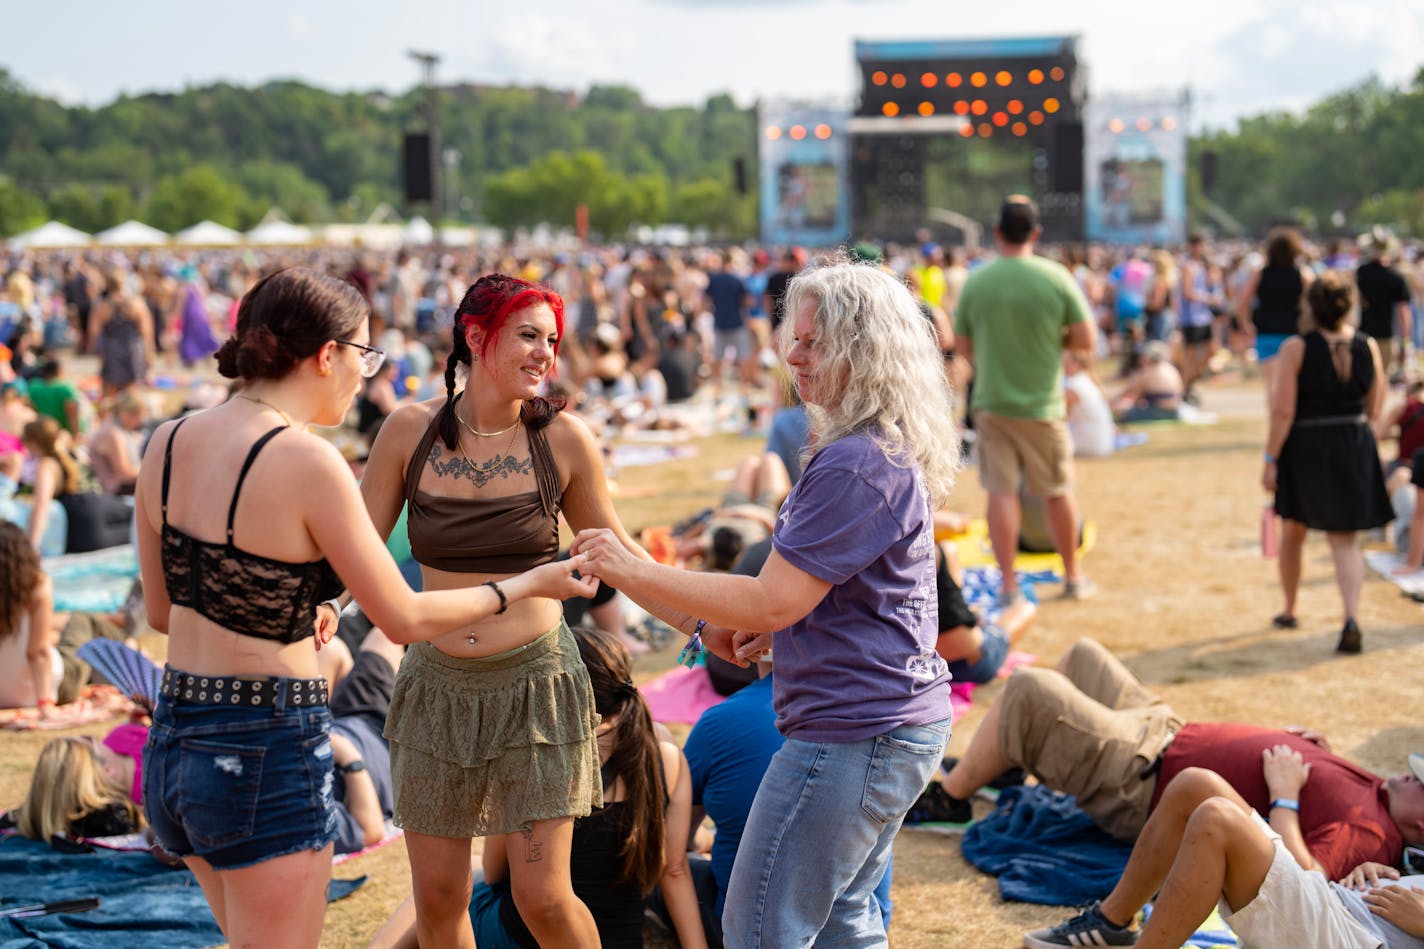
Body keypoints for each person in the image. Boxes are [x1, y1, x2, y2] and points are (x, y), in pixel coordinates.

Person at [132, 267, 597, 949]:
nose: (363, 374)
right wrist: (524, 584)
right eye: (363, 354)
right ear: (327, 354)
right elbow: (402, 617)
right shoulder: (311, 460)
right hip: (265, 743)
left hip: (176, 743)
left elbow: (160, 610)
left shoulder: (165, 442)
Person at [574, 259, 958, 947]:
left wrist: (629, 567)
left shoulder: (856, 460)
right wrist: (775, 632)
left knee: (757, 928)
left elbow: (770, 596)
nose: (792, 356)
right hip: (886, 723)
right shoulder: (875, 449)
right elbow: (847, 600)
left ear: (860, 350)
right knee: (844, 923)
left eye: (811, 341)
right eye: (795, 337)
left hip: (853, 732)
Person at [354, 273, 651, 949]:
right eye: (528, 335)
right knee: (438, 898)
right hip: (436, 687)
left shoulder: (564, 440)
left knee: (543, 897)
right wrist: (313, 602)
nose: (546, 353)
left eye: (552, 339)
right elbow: (356, 549)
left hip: (537, 690)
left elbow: (621, 552)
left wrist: (700, 617)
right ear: (476, 336)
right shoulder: (410, 431)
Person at [923, 637, 1422, 881]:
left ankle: (952, 800)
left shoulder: (1373, 834)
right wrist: (1322, 758)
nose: (1409, 770)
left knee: (1032, 688)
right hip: (1165, 733)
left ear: (1421, 821)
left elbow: (1305, 879)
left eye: (1421, 781)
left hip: (1142, 780)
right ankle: (1002, 759)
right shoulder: (1384, 795)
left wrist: (1287, 799)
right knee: (1083, 655)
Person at [368, 623, 707, 949]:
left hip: (526, 936)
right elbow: (674, 869)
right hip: (620, 939)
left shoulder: (538, 760)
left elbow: (497, 870)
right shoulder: (666, 757)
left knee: (452, 883)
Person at [1025, 758, 1424, 948]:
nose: (1410, 777)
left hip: (1353, 938)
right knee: (1195, 784)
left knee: (1217, 819)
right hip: (1339, 908)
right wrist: (1379, 869)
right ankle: (1110, 922)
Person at [954, 195, 1097, 603]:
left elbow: (962, 347)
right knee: (1057, 490)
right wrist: (1052, 338)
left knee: (1000, 494)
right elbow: (1085, 340)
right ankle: (1072, 576)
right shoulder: (1056, 277)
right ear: (1036, 233)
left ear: (997, 233)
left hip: (992, 402)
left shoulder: (976, 281)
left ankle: (1009, 585)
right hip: (1042, 405)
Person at [1263, 271, 1391, 652]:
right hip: (1353, 440)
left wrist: (1271, 457)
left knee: (1294, 531)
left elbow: (1283, 411)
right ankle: (1350, 616)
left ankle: (1289, 608)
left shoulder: (1295, 348)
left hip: (1307, 444)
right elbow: (1375, 408)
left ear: (1310, 306)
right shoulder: (1367, 346)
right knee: (1344, 541)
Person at [1239, 226, 1313, 412]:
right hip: (1292, 332)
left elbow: (1243, 300)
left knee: (1272, 384)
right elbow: (1315, 300)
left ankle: (1276, 420)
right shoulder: (1302, 274)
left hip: (1266, 332)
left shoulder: (1261, 274)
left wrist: (1245, 324)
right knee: (1293, 382)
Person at [1357, 227, 1414, 383]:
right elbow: (1404, 313)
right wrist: (1406, 341)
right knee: (1382, 378)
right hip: (1385, 335)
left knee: (1363, 377)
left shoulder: (1360, 273)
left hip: (1362, 333)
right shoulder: (1396, 277)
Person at [89, 392, 147, 495]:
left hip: (120, 488)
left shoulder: (117, 428)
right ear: (128, 413)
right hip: (114, 492)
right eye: (139, 415)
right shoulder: (113, 434)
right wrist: (153, 469)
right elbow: (124, 473)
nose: (141, 420)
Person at [1112, 341, 1184, 422]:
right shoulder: (1171, 369)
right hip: (1175, 413)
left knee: (1122, 412)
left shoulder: (1148, 371)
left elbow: (1131, 395)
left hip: (1159, 413)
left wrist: (1113, 404)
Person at [1062, 350, 1115, 457]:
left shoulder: (1074, 385)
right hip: (1102, 444)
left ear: (1078, 364)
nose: (1063, 365)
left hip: (1090, 445)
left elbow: (1061, 417)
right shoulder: (1086, 380)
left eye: (1066, 362)